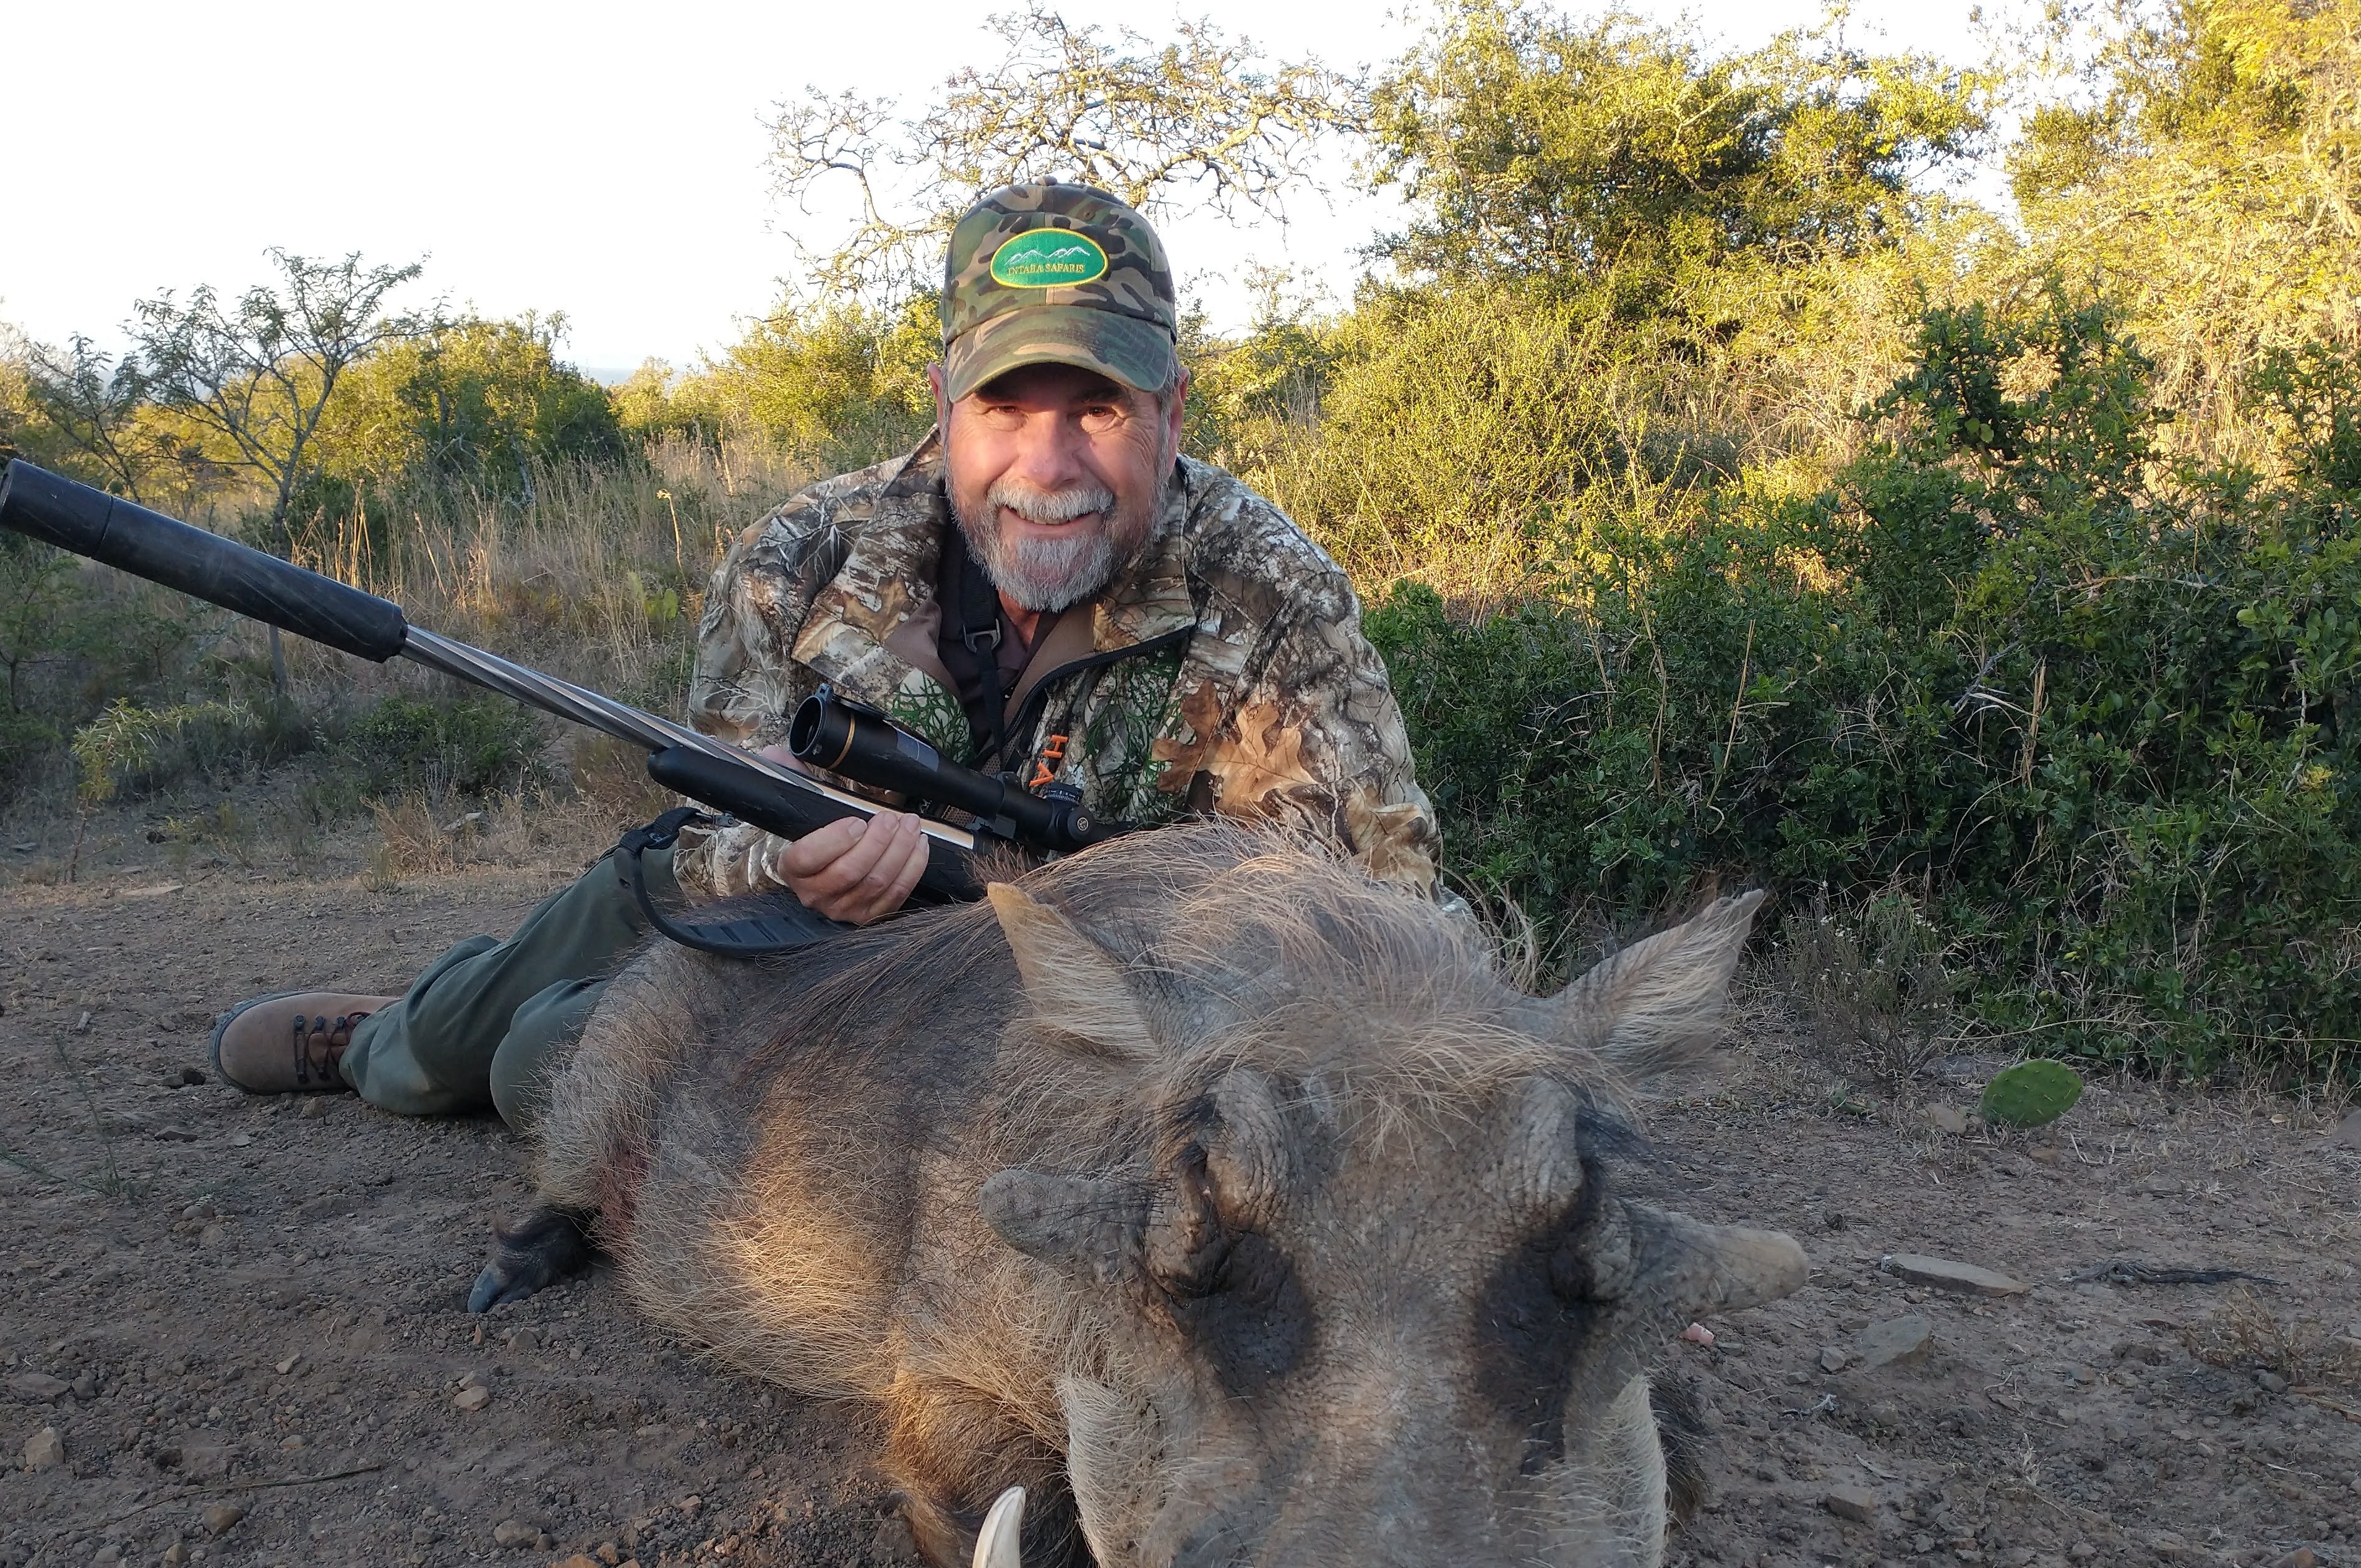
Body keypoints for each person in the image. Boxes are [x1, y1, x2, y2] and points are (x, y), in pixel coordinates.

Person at [207, 181, 1439, 1127]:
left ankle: (490, 1031)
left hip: (969, 990)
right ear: (945, 406)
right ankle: (386, 1027)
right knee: (431, 1063)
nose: (1051, 464)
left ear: (1171, 411)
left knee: (548, 1066)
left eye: (1099, 410)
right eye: (1008, 407)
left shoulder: (1272, 590)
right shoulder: (797, 556)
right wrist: (806, 857)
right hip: (764, 903)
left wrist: (1119, 918)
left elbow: (1386, 910)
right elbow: (708, 825)